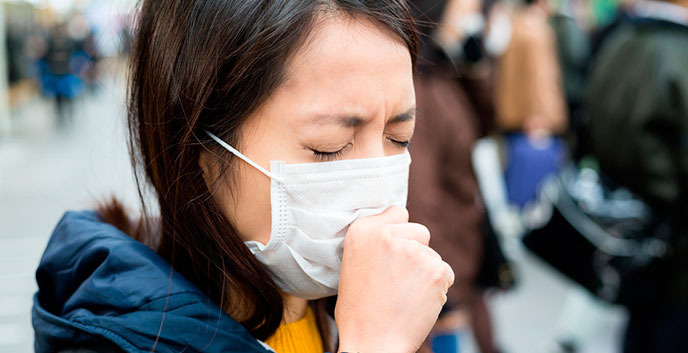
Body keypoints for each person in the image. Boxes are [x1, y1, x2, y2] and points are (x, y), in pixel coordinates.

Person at [31, 1, 455, 353]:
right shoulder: (119, 338)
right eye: (329, 146)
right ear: (199, 146)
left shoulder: (350, 306)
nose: (376, 185)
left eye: (399, 138)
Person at [585, 1, 688, 352]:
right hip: (672, 232)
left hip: (625, 221)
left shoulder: (619, 39)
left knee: (641, 326)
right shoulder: (678, 51)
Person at [409, 1, 498, 352]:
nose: (471, 19)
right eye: (465, 8)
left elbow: (486, 123)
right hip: (442, 267)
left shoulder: (441, 70)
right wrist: (442, 290)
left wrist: (475, 66)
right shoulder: (417, 88)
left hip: (459, 252)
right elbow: (420, 197)